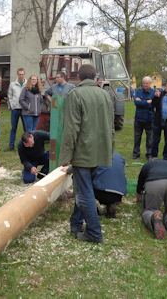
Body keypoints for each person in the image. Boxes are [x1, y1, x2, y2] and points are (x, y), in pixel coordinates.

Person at [59, 64, 114, 244]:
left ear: (79, 77)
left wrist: (65, 155)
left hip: (84, 151)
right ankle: (75, 224)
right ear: (94, 76)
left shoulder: (76, 94)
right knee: (84, 188)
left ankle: (94, 232)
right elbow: (112, 126)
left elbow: (71, 128)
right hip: (99, 149)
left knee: (84, 193)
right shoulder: (105, 94)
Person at [134, 158, 167, 239]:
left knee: (149, 210)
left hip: (155, 183)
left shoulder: (147, 165)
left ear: (152, 161)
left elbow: (140, 185)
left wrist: (138, 199)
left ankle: (153, 217)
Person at [151, 81, 167, 160]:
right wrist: (155, 97)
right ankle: (154, 156)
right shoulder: (160, 94)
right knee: (155, 140)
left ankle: (166, 157)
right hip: (158, 121)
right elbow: (153, 104)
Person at [132, 76, 156, 160]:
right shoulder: (138, 91)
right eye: (144, 83)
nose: (145, 84)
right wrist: (147, 101)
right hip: (138, 118)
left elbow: (153, 104)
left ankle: (149, 154)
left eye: (147, 83)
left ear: (150, 83)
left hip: (149, 119)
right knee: (137, 137)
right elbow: (136, 103)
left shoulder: (153, 92)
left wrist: (142, 101)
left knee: (150, 138)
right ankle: (136, 153)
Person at [6, 68, 26, 151]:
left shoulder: (27, 84)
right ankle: (11, 145)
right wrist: (11, 106)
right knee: (13, 128)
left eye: (22, 74)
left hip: (25, 109)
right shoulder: (13, 84)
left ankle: (26, 144)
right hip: (15, 109)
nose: (21, 76)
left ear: (24, 74)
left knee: (26, 128)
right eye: (19, 74)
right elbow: (9, 96)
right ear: (17, 74)